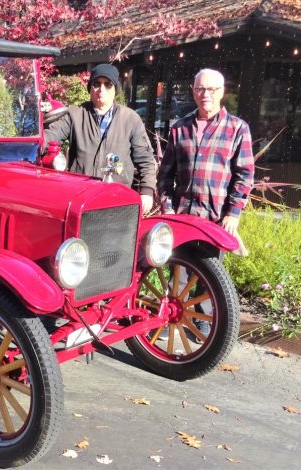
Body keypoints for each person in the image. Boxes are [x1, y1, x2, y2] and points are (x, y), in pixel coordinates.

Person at [157, 68, 254, 342]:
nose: (205, 95)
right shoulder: (180, 128)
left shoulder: (237, 129)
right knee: (178, 271)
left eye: (211, 89)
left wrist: (233, 214)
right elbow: (165, 175)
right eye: (201, 89)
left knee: (209, 274)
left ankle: (204, 324)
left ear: (222, 92)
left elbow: (245, 174)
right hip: (184, 215)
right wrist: (167, 208)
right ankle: (170, 319)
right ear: (193, 90)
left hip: (215, 217)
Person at [44, 64, 156, 213]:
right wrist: (29, 146)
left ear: (115, 89)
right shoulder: (75, 115)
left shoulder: (131, 119)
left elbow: (146, 160)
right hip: (81, 201)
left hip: (117, 202)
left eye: (108, 84)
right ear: (90, 88)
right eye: (96, 84)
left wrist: (147, 192)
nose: (101, 89)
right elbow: (49, 137)